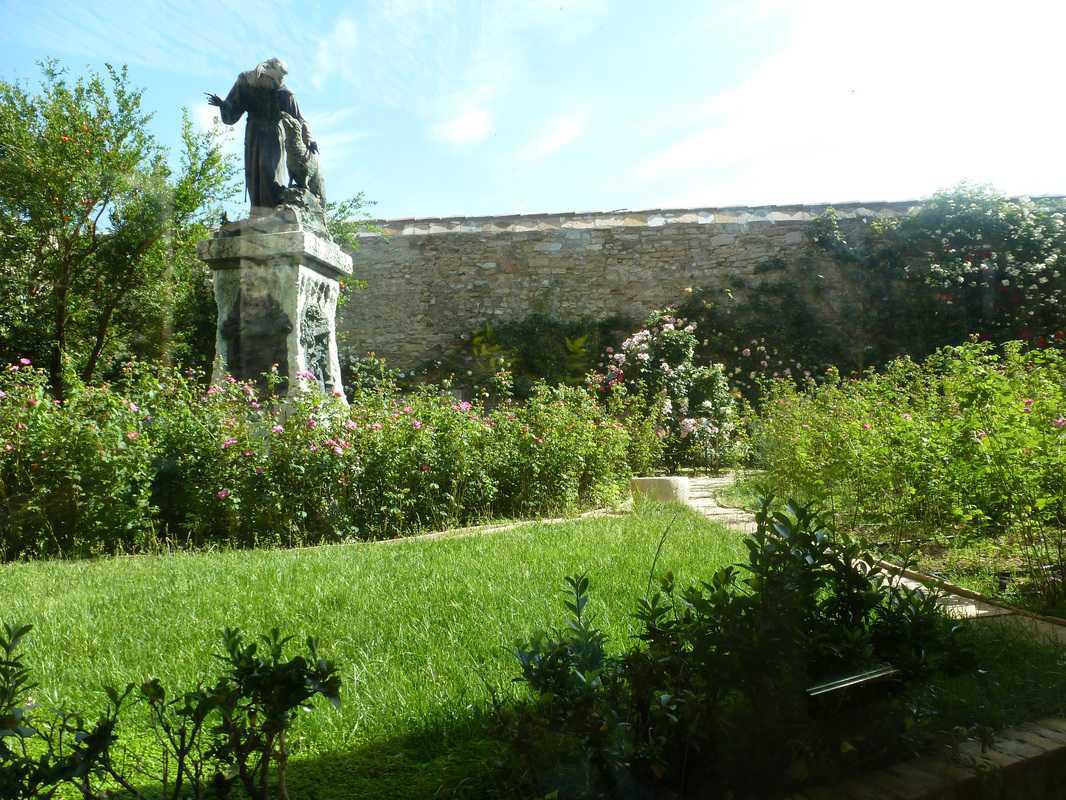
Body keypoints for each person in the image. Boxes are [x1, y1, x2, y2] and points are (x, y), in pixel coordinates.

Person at [206, 58, 318, 209]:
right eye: (274, 79)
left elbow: (300, 119)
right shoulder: (246, 82)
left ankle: (274, 209)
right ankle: (257, 211)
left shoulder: (284, 93)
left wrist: (309, 139)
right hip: (254, 134)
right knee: (254, 173)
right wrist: (223, 105)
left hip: (273, 135)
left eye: (280, 80)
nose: (277, 83)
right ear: (266, 74)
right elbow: (233, 108)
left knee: (268, 169)